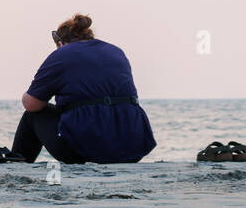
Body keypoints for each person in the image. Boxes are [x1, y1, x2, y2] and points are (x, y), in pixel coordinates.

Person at [11, 13, 156, 164]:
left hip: (86, 150)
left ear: (60, 43)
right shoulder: (116, 51)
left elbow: (31, 104)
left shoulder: (62, 54)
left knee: (32, 115)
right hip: (132, 147)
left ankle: (17, 164)